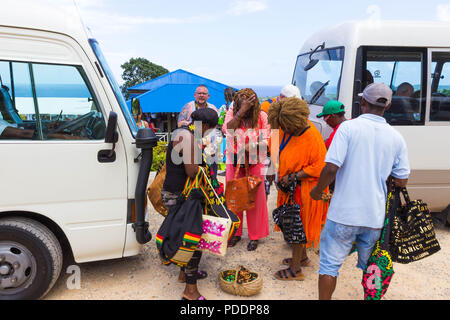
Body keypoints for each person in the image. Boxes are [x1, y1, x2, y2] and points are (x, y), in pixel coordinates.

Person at [310, 82, 410, 300]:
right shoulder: (396, 137)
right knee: (371, 268)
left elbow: (331, 168)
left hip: (343, 215)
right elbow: (402, 180)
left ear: (363, 102)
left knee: (329, 266)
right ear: (389, 105)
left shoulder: (348, 128)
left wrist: (317, 191)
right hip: (373, 217)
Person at [267, 97, 329, 280]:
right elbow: (274, 146)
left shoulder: (312, 136)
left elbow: (320, 166)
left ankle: (295, 270)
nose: (283, 130)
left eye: (285, 127)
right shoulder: (283, 128)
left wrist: (294, 176)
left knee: (297, 227)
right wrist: (272, 170)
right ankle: (302, 258)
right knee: (291, 223)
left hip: (304, 189)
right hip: (289, 188)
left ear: (294, 122)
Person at [161, 107, 219, 300]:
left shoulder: (183, 133)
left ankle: (183, 273)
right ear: (207, 126)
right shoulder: (188, 139)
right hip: (180, 196)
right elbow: (193, 171)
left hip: (173, 192)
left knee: (182, 233)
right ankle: (190, 291)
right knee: (191, 239)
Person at [222, 88, 270, 251]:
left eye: (248, 100)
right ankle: (235, 233)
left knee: (255, 199)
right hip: (234, 161)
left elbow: (268, 139)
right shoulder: (232, 112)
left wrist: (254, 145)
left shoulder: (262, 116)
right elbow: (228, 129)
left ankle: (255, 236)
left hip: (255, 162)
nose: (245, 103)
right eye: (241, 101)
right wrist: (241, 112)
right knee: (235, 197)